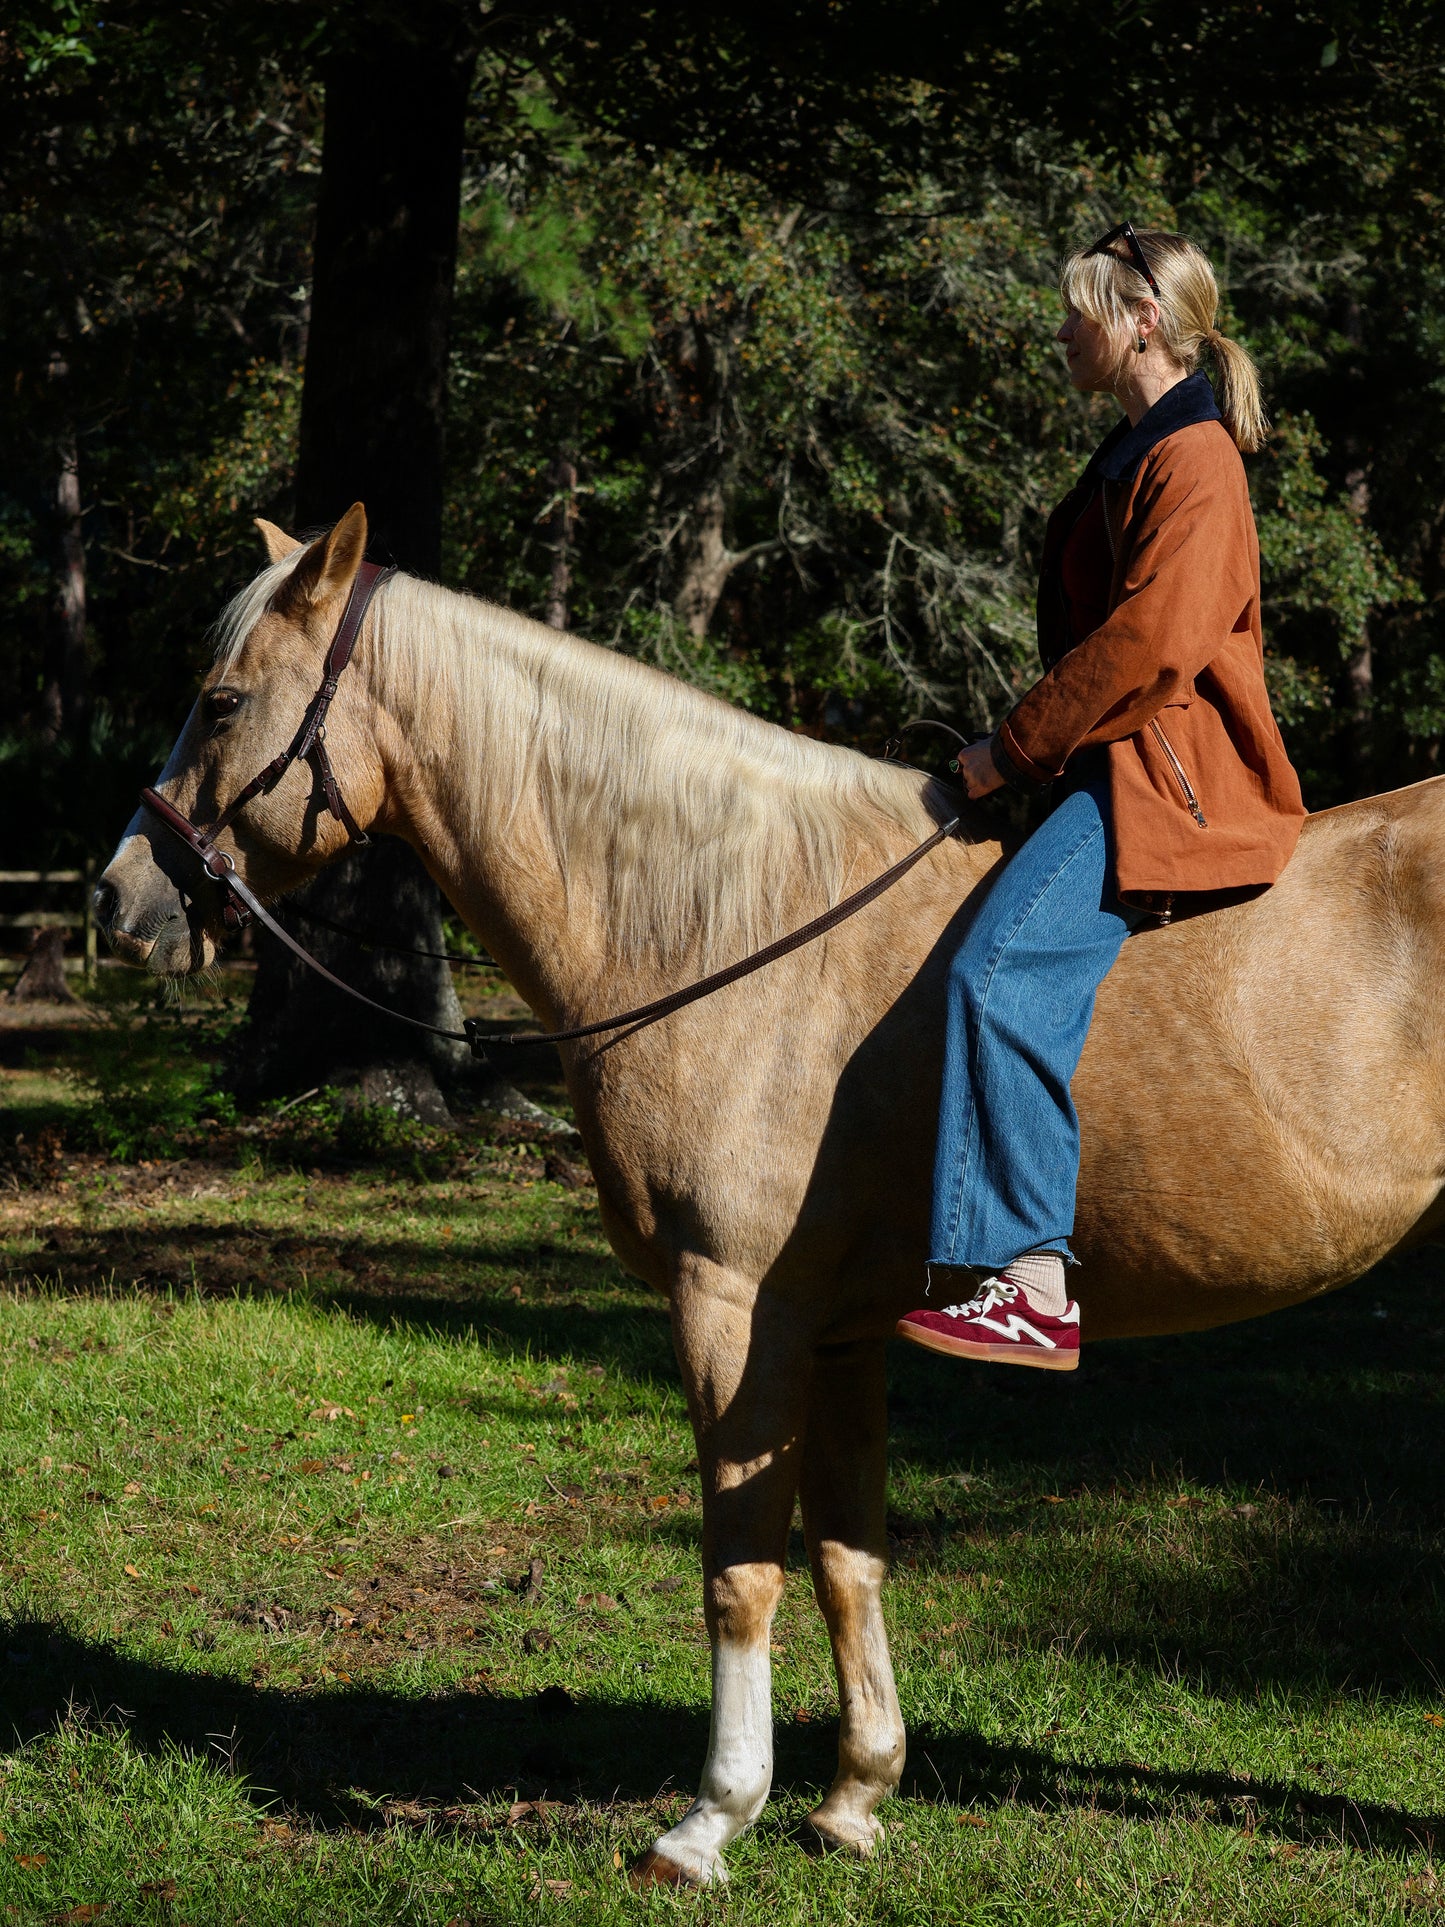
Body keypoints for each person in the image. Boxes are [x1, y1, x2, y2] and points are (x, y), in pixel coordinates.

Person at [896, 221, 1306, 1372]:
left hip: (1160, 777)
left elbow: (1151, 641)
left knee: (997, 973)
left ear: (1139, 321)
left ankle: (1030, 1283)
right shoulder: (1139, 449)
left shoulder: (1195, 459)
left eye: (1078, 312)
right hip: (1113, 760)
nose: (1062, 332)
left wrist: (1012, 749)